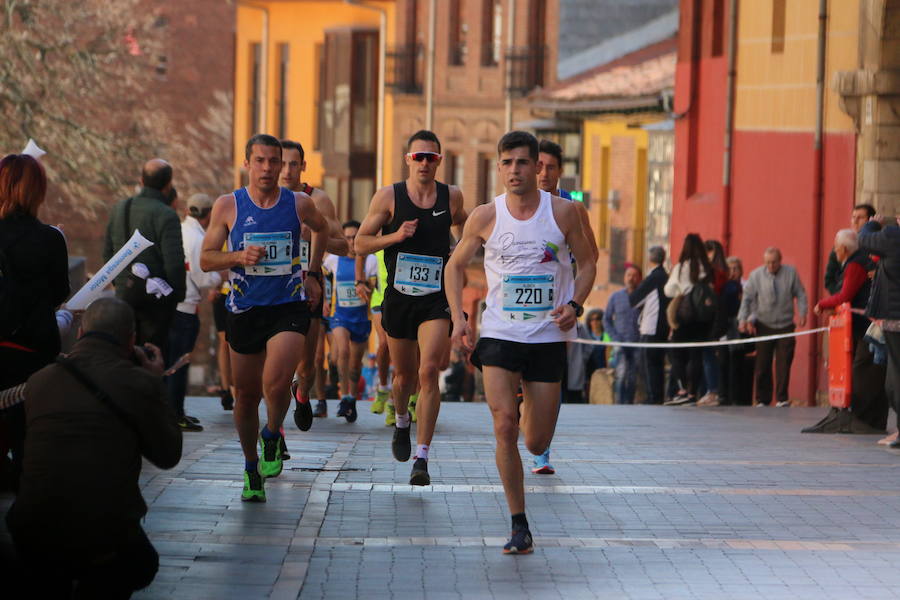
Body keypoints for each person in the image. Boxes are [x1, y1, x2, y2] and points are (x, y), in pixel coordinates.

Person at [446, 130, 595, 554]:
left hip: (548, 334)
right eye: (507, 162)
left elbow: (588, 264)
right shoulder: (485, 216)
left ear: (538, 167)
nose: (515, 170)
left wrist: (576, 304)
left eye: (523, 162)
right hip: (500, 333)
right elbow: (454, 268)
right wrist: (459, 317)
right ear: (499, 167)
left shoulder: (564, 213)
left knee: (535, 440)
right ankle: (518, 523)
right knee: (503, 425)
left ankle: (534, 416)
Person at [6, 297, 182, 598]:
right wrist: (156, 385)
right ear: (132, 341)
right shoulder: (139, 383)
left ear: (79, 333)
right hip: (105, 536)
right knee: (142, 563)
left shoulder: (39, 381)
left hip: (32, 530)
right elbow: (167, 456)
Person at [200, 134, 328, 502]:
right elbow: (207, 258)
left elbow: (322, 229)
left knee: (276, 381)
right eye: (261, 161)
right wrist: (237, 257)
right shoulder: (228, 205)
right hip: (244, 309)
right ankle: (251, 466)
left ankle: (273, 431)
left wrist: (314, 272)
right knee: (246, 396)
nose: (269, 168)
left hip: (287, 306)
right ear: (247, 164)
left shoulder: (299, 203)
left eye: (275, 161)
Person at [355, 130, 467, 486]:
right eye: (418, 157)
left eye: (430, 157)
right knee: (404, 377)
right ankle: (402, 420)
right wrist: (395, 236)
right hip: (400, 299)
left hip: (436, 299)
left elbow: (466, 224)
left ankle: (422, 457)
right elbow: (360, 243)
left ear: (439, 161)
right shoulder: (389, 196)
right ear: (407, 160)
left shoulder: (452, 197)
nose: (424, 163)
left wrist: (461, 250)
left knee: (429, 371)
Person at [0, 154, 70, 490]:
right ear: (37, 192)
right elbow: (59, 293)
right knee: (28, 439)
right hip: (32, 353)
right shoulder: (50, 239)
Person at [278, 140, 349, 428]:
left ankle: (303, 391)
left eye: (293, 164)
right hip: (274, 286)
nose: (285, 170)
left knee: (307, 365)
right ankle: (275, 429)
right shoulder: (264, 199)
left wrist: (312, 238)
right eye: (280, 162)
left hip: (309, 285)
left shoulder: (317, 200)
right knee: (277, 363)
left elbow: (343, 246)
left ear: (303, 166)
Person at [804, 228, 886, 433]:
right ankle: (869, 420)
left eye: (835, 247)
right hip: (865, 325)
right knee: (866, 371)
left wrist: (822, 304)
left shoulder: (855, 264)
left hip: (868, 327)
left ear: (842, 248)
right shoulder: (858, 261)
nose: (834, 251)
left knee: (863, 372)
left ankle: (864, 420)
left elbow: (845, 295)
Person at [103, 158, 186, 358]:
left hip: (124, 298)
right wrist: (177, 295)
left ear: (141, 181)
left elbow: (107, 253)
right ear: (168, 184)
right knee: (152, 358)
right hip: (155, 301)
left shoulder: (119, 208)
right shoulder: (166, 215)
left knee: (125, 357)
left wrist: (121, 283)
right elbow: (174, 263)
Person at [167, 193, 222, 432]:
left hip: (172, 305)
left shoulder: (179, 231)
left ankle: (173, 411)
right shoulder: (199, 239)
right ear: (209, 214)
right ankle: (175, 414)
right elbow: (202, 277)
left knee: (172, 362)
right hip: (187, 306)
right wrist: (221, 276)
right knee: (180, 363)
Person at [738, 247, 808, 407]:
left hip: (785, 324)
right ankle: (763, 398)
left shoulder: (790, 273)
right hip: (764, 324)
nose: (770, 265)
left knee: (784, 362)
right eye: (767, 262)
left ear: (780, 261)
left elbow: (801, 293)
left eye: (774, 262)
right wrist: (742, 319)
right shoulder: (756, 275)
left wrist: (803, 313)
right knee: (762, 363)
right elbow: (747, 299)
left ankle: (782, 398)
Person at [322, 220, 377, 422]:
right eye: (348, 237)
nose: (352, 241)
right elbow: (324, 278)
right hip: (340, 315)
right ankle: (344, 396)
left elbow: (375, 289)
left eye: (355, 237)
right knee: (342, 352)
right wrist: (326, 301)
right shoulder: (333, 260)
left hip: (362, 318)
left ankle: (352, 399)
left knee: (355, 365)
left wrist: (366, 290)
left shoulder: (370, 260)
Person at [857, 215, 900, 446]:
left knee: (895, 378)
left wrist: (873, 222)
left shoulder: (893, 236)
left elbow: (863, 239)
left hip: (895, 320)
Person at [664, 233, 716, 406]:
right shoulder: (707, 267)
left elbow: (668, 290)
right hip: (703, 317)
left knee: (677, 353)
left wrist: (681, 289)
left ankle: (682, 390)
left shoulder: (681, 268)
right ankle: (693, 392)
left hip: (685, 315)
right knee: (696, 355)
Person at [629, 246, 669, 404]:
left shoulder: (654, 277)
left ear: (650, 259)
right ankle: (656, 397)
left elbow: (634, 300)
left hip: (651, 327)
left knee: (650, 366)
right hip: (663, 327)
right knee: (657, 365)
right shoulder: (665, 276)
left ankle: (653, 399)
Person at [603, 264, 642, 404]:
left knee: (633, 377)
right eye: (628, 275)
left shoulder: (643, 297)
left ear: (640, 278)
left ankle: (629, 404)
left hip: (637, 343)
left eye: (634, 275)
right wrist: (615, 338)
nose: (631, 278)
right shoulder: (616, 297)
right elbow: (606, 319)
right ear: (624, 278)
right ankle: (619, 404)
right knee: (621, 375)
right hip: (620, 342)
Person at [697, 239, 729, 406]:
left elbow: (713, 292)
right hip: (715, 316)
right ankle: (709, 390)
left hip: (713, 317)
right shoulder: (721, 270)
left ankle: (712, 391)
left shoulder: (716, 272)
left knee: (708, 354)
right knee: (707, 354)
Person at [824, 204, 876, 294]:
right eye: (853, 217)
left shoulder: (877, 245)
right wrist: (841, 295)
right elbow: (829, 279)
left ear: (870, 221)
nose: (855, 221)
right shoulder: (841, 245)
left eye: (860, 218)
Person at [719, 256, 750, 405]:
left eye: (735, 268)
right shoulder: (723, 286)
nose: (733, 272)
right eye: (729, 269)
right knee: (723, 361)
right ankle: (723, 395)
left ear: (741, 270)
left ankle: (737, 398)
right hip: (725, 328)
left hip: (740, 327)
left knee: (737, 363)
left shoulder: (746, 285)